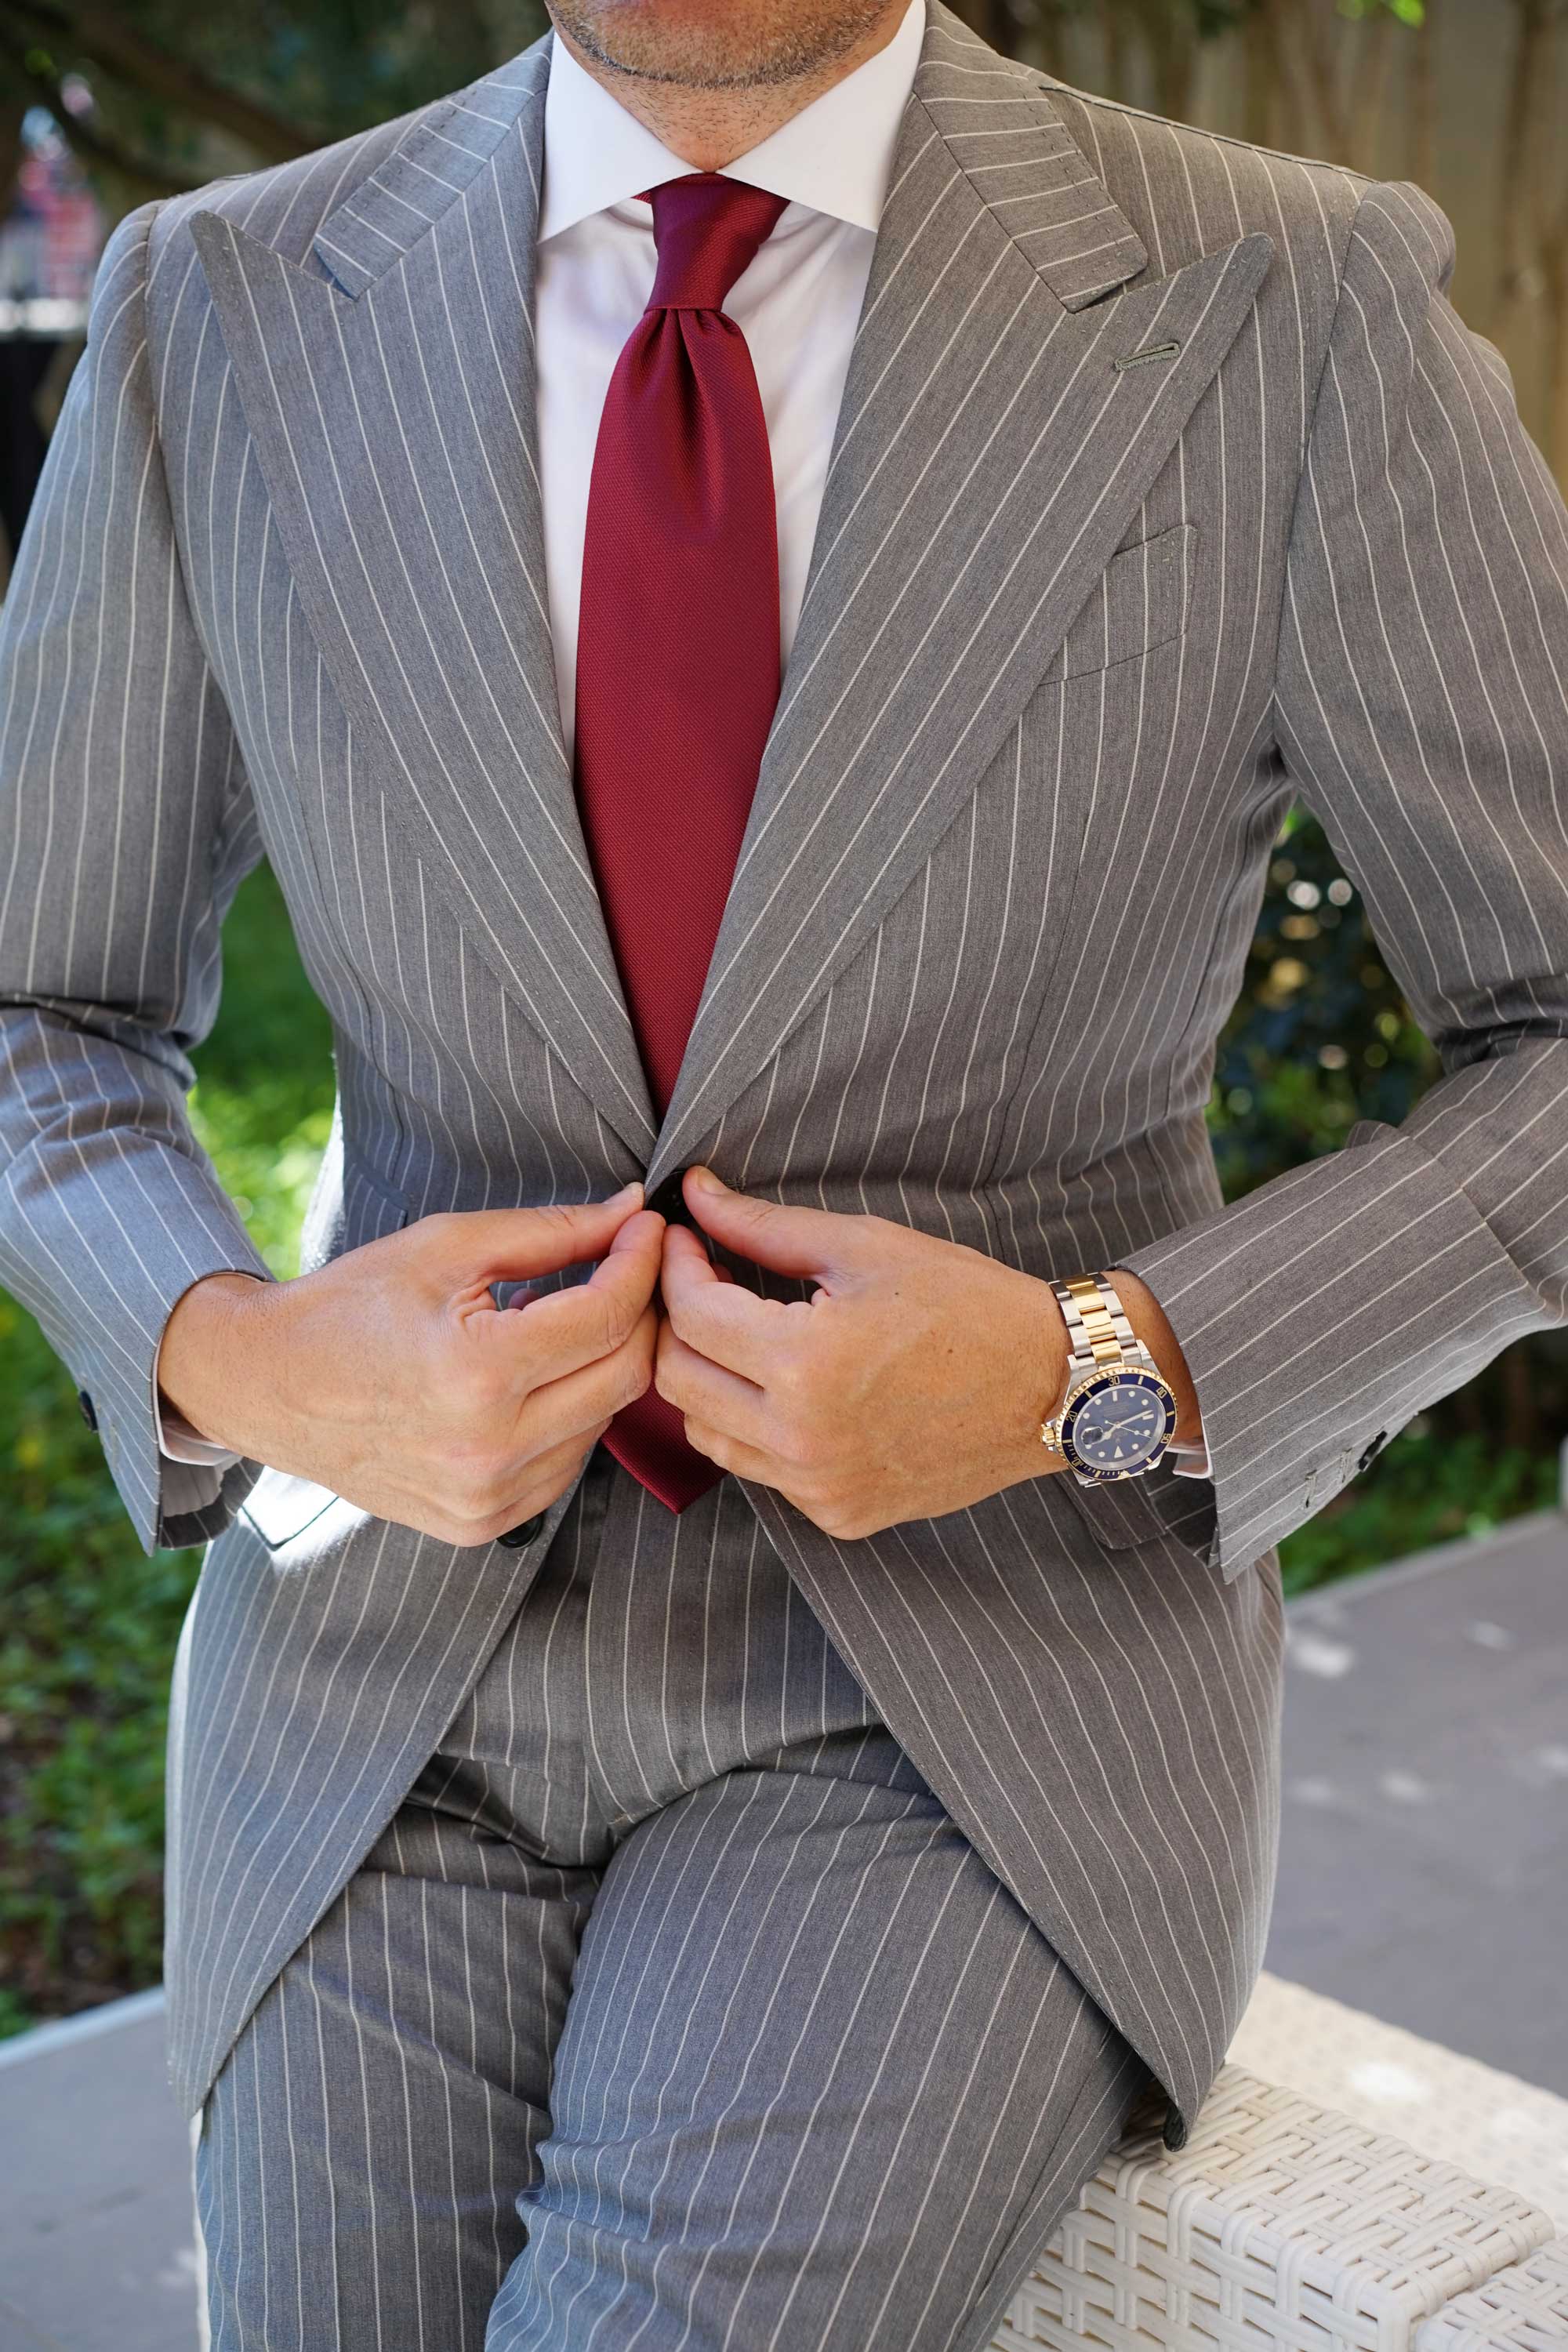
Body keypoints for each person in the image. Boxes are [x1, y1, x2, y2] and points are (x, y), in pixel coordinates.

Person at [2, 0, 1564, 2342]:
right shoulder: (219, 298)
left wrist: (1088, 1370)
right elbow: (42, 1002)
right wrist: (232, 1355)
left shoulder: (1289, 300)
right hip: (376, 1673)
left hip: (968, 1685)